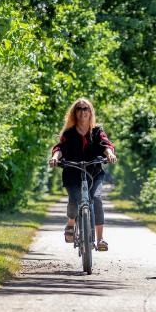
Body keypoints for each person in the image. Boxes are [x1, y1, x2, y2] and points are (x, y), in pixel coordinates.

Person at [49, 98, 117, 250]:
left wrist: (110, 154)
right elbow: (59, 147)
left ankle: (100, 240)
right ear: (74, 112)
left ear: (90, 112)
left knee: (97, 198)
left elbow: (106, 145)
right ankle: (71, 224)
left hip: (94, 171)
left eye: (86, 108)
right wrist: (55, 158)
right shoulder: (69, 133)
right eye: (79, 108)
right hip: (73, 172)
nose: (83, 111)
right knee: (74, 200)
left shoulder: (97, 131)